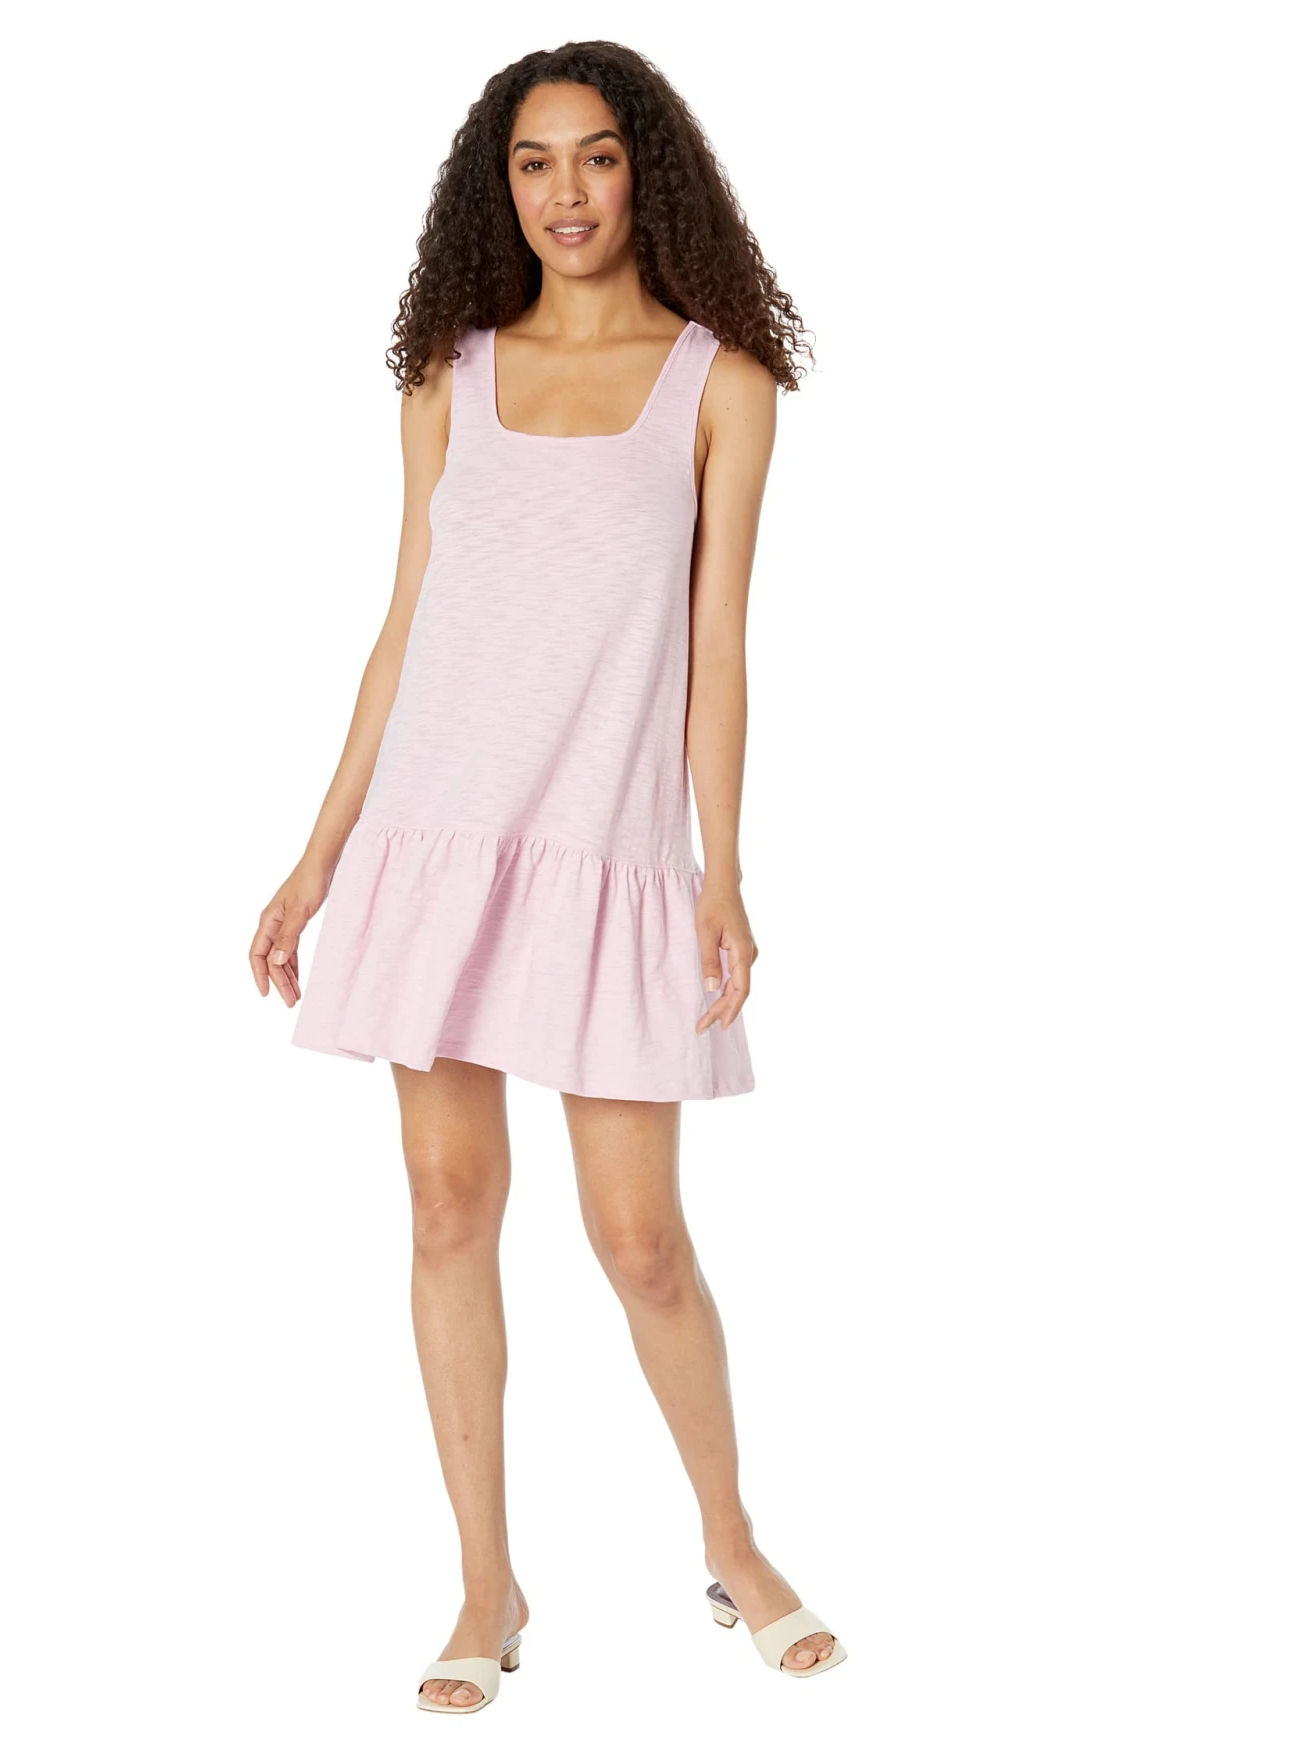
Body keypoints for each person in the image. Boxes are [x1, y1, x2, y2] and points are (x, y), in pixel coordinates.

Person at [249, 40, 846, 1713]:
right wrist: (316, 856)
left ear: (647, 168)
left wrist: (724, 869)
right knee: (448, 1205)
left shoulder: (720, 381)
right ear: (495, 184)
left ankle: (732, 1540)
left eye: (594, 156)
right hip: (434, 832)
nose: (564, 192)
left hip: (603, 848)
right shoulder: (450, 369)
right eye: (532, 162)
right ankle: (484, 1582)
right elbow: (404, 623)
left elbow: (717, 648)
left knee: (640, 1236)